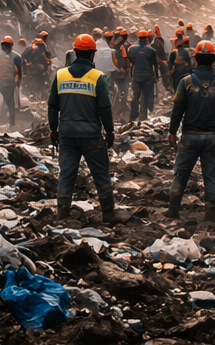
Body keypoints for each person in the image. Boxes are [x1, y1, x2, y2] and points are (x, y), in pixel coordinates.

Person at [49, 34, 118, 223]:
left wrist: (54, 130)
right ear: (92, 54)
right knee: (101, 173)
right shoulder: (97, 77)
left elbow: (52, 106)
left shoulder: (61, 75)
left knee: (67, 173)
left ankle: (62, 213)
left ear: (75, 52)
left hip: (67, 134)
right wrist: (110, 131)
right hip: (91, 136)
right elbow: (105, 108)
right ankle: (108, 214)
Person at [166, 41, 215, 222]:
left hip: (190, 136)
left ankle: (173, 210)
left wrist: (172, 132)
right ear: (213, 61)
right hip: (212, 137)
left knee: (181, 173)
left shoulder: (186, 82)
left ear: (195, 59)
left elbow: (178, 109)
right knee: (210, 177)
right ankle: (210, 215)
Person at [0, 35, 24, 127]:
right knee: (11, 104)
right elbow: (19, 71)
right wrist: (18, 82)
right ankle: (12, 123)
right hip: (9, 84)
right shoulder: (17, 57)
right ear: (11, 46)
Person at [126, 30, 160, 121]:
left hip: (136, 76)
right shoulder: (151, 50)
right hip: (148, 76)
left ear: (138, 37)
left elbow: (131, 62)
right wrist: (156, 77)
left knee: (135, 96)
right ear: (147, 38)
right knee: (145, 97)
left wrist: (131, 76)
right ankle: (143, 116)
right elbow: (155, 64)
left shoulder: (132, 49)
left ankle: (133, 116)